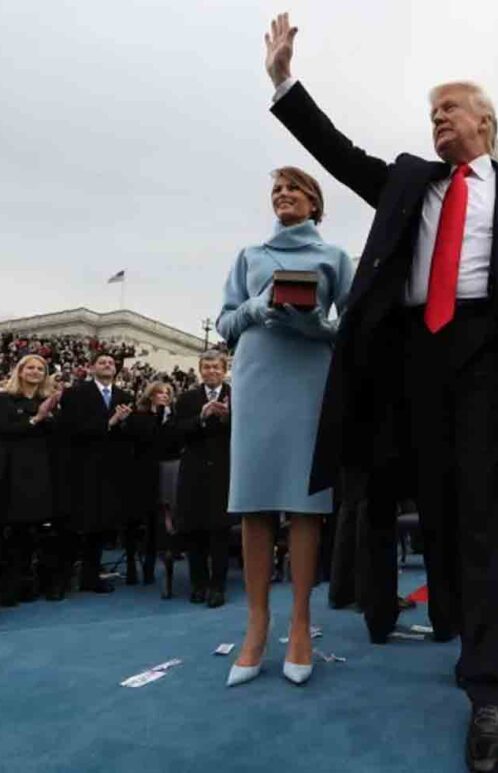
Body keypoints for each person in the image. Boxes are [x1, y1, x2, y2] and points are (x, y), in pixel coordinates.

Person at [264, 13, 498, 771]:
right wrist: (283, 83)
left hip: (491, 360)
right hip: (409, 364)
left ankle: (490, 694)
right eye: (431, 110)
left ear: (485, 123)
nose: (436, 119)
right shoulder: (409, 180)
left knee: (491, 526)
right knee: (434, 515)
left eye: (449, 108)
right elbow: (337, 155)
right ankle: (454, 616)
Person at [216, 165, 353, 688]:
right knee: (252, 502)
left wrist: (314, 323)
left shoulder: (335, 258)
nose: (283, 195)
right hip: (256, 377)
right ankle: (256, 624)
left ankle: (300, 622)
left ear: (315, 202)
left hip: (308, 379)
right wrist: (256, 306)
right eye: (276, 189)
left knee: (303, 504)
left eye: (294, 188)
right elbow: (226, 323)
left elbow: (353, 328)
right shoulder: (249, 257)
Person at [58, 352, 134, 594]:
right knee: (75, 525)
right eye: (102, 362)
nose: (108, 365)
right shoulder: (75, 394)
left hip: (111, 471)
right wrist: (109, 423)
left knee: (99, 525)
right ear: (91, 368)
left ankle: (90, 577)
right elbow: (71, 429)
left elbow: (129, 436)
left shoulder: (125, 397)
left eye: (111, 363)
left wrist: (123, 423)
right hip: (81, 468)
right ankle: (62, 577)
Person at [0, 356, 64, 604]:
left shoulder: (47, 402)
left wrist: (50, 416)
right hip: (12, 473)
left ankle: (32, 584)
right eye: (31, 367)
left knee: (34, 533)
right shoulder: (5, 399)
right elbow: (5, 429)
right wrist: (36, 418)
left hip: (42, 474)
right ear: (20, 371)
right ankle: (9, 588)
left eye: (40, 368)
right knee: (12, 534)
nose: (36, 371)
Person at [174, 351, 232, 608]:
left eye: (216, 367)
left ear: (224, 369)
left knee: (220, 531)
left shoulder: (236, 395)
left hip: (224, 470)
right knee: (194, 530)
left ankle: (218, 587)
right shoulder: (187, 398)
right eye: (206, 367)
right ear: (200, 370)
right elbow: (176, 431)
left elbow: (248, 431)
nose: (211, 371)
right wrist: (201, 416)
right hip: (194, 471)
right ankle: (198, 585)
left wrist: (227, 418)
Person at [126, 381, 176, 586]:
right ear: (150, 395)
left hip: (163, 473)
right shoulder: (138, 417)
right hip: (139, 473)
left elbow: (173, 444)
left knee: (156, 522)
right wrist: (157, 418)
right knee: (135, 521)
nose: (163, 396)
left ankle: (149, 566)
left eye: (167, 393)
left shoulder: (172, 419)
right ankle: (131, 564)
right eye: (159, 392)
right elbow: (140, 440)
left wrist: (165, 419)